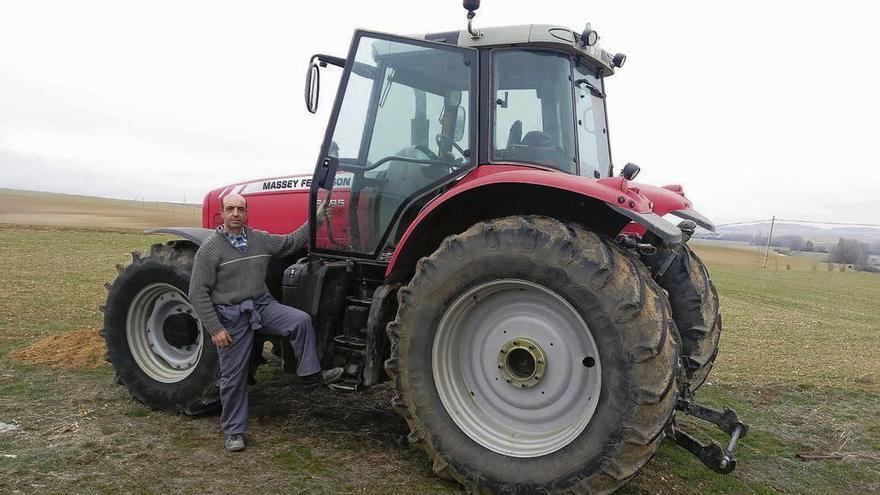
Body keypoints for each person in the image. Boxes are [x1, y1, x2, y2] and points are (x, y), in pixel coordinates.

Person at [188, 193, 343, 452]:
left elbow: (292, 242)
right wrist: (215, 329)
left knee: (300, 320)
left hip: (261, 305)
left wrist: (315, 219)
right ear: (222, 213)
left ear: (247, 213)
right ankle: (234, 431)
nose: (235, 214)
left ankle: (310, 376)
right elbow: (197, 293)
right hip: (231, 315)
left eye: (240, 209)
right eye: (230, 209)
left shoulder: (259, 239)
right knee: (233, 376)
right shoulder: (210, 249)